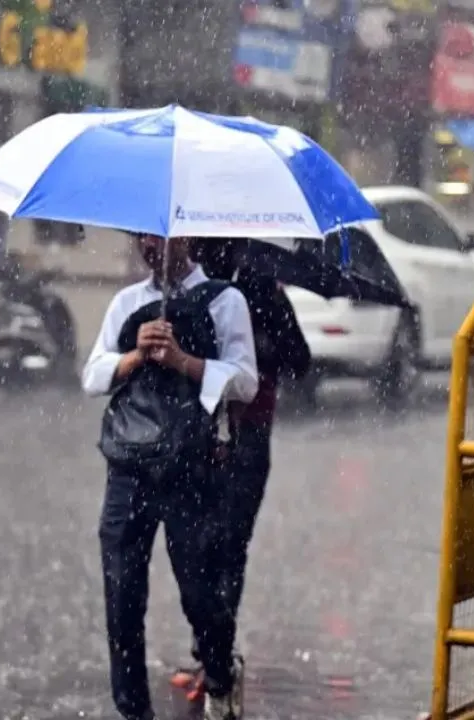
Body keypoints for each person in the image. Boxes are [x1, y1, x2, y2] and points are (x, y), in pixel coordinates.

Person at [82, 233, 259, 720]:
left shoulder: (224, 301)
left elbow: (246, 381)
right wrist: (135, 356)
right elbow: (93, 375)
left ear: (187, 236)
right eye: (141, 235)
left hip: (191, 469)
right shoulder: (127, 303)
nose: (149, 244)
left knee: (200, 592)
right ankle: (133, 710)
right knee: (122, 596)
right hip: (129, 467)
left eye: (159, 236)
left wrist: (183, 361)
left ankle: (220, 672)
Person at [171, 237, 311, 700]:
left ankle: (216, 659)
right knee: (203, 547)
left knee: (224, 547)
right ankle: (211, 652)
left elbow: (298, 359)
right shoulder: (195, 292)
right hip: (201, 434)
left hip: (245, 433)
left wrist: (253, 348)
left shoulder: (259, 292)